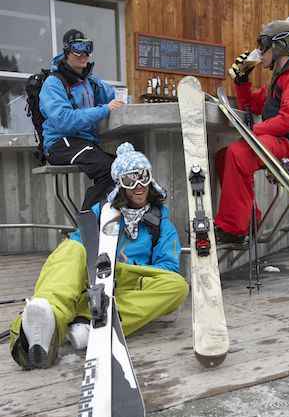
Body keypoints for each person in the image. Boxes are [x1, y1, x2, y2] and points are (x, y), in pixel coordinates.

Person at [9, 142, 189, 370]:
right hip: (95, 273)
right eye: (129, 180)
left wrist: (130, 272)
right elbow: (77, 248)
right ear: (120, 185)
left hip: (126, 284)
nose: (138, 186)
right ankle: (44, 325)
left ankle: (86, 322)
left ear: (150, 179)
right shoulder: (102, 212)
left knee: (178, 286)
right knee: (71, 248)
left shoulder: (162, 225)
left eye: (142, 177)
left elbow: (167, 268)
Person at [214, 20, 289, 244]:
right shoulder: (280, 77)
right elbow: (253, 105)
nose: (259, 51)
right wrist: (242, 80)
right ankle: (247, 220)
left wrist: (253, 131)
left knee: (239, 154)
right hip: (281, 138)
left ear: (278, 46)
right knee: (223, 156)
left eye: (263, 45)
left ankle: (233, 229)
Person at [40, 28, 124, 210]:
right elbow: (65, 120)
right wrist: (104, 109)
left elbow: (116, 96)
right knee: (108, 169)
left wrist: (126, 101)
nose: (84, 54)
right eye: (78, 48)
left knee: (123, 167)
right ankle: (85, 227)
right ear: (67, 51)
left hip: (84, 143)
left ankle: (107, 223)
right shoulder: (53, 83)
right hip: (60, 144)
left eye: (88, 48)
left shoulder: (89, 82)